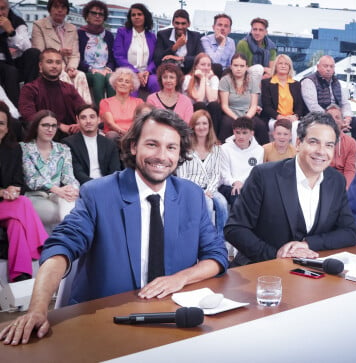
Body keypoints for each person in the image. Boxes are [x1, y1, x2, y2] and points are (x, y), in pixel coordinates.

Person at [0, 108, 229, 346]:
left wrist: (181, 278)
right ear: (133, 147)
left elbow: (216, 255)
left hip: (171, 320)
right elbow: (60, 248)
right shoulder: (99, 193)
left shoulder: (191, 195)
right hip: (105, 322)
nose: (162, 156)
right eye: (152, 144)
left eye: (171, 147)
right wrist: (37, 309)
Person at [225, 112, 356, 266]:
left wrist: (308, 244)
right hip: (261, 270)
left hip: (311, 275)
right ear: (298, 143)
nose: (321, 151)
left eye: (329, 145)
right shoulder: (263, 175)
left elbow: (350, 232)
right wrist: (276, 255)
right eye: (314, 142)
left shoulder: (336, 181)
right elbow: (234, 228)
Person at [0, 101, 48, 282]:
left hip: (8, 207)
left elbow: (19, 182)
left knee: (16, 224)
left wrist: (13, 189)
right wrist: (2, 192)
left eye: (1, 123)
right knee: (24, 204)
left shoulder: (13, 149)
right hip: (5, 203)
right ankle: (43, 245)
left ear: (7, 127)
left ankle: (20, 275)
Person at [301, 55, 356, 167]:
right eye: (325, 66)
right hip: (317, 118)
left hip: (337, 118)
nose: (328, 69)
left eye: (331, 66)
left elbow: (345, 103)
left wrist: (346, 119)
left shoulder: (337, 83)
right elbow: (312, 106)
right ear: (318, 67)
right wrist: (333, 120)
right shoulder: (309, 81)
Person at [20, 110, 79, 234]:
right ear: (36, 127)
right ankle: (64, 244)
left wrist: (73, 189)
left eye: (53, 125)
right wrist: (56, 189)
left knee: (70, 204)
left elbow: (69, 176)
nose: (50, 129)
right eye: (45, 125)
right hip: (35, 196)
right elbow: (31, 180)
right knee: (66, 213)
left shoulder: (63, 149)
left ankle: (64, 245)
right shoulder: (24, 148)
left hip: (58, 195)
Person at [176, 110, 228, 241]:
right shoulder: (185, 148)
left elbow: (217, 173)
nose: (201, 127)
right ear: (192, 126)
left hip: (211, 188)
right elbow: (182, 175)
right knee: (208, 204)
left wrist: (209, 190)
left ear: (209, 126)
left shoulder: (216, 148)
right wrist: (199, 192)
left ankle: (222, 240)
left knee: (222, 203)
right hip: (191, 189)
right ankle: (205, 240)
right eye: (198, 124)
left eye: (204, 123)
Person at [31, 0, 91, 104]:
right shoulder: (39, 25)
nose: (59, 10)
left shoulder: (72, 28)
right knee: (62, 75)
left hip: (68, 66)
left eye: (63, 7)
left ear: (67, 11)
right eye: (56, 7)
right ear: (50, 9)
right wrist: (59, 53)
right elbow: (39, 52)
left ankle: (84, 111)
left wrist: (71, 68)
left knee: (80, 75)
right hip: (49, 65)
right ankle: (68, 110)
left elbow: (75, 54)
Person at [19, 48, 84, 138]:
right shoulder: (30, 89)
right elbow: (29, 116)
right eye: (50, 62)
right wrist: (59, 126)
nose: (54, 66)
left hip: (71, 133)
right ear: (40, 66)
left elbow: (82, 109)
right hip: (44, 135)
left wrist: (80, 123)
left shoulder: (69, 88)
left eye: (58, 63)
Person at [62, 105, 121, 185]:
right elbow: (77, 172)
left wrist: (106, 185)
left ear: (99, 119)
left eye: (92, 117)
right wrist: (96, 185)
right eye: (83, 118)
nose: (88, 121)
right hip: (83, 187)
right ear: (77, 120)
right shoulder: (69, 143)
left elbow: (115, 170)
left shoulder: (109, 144)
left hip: (108, 185)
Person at [217, 53, 268, 144]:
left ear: (246, 67)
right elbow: (224, 106)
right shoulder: (225, 80)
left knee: (261, 125)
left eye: (242, 66)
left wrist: (246, 118)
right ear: (231, 66)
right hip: (231, 114)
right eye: (236, 65)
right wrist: (236, 118)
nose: (239, 68)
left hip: (248, 115)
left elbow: (253, 106)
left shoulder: (252, 81)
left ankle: (264, 154)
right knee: (227, 124)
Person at [0, 0, 40, 104]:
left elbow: (27, 47)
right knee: (10, 72)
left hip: (15, 61)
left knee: (34, 53)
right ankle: (17, 111)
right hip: (3, 64)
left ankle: (30, 94)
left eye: (2, 9)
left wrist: (11, 32)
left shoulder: (17, 22)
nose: (0, 13)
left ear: (8, 9)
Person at [113, 3, 159, 97]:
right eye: (133, 15)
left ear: (145, 16)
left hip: (146, 73)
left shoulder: (152, 37)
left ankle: (158, 111)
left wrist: (147, 71)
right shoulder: (122, 33)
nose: (136, 17)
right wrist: (136, 72)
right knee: (130, 85)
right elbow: (119, 56)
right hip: (128, 72)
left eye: (139, 14)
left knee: (156, 82)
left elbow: (155, 58)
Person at [77, 0, 116, 109]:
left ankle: (112, 111)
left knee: (111, 77)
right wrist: (90, 68)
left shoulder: (108, 35)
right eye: (94, 13)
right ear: (87, 16)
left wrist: (109, 68)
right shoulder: (79, 34)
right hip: (88, 71)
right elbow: (77, 58)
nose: (97, 16)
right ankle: (101, 111)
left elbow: (112, 58)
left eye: (101, 14)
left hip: (105, 70)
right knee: (98, 77)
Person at [218, 116, 264, 206]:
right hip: (229, 185)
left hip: (248, 185)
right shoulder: (224, 148)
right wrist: (235, 182)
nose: (240, 136)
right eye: (237, 132)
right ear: (233, 132)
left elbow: (255, 175)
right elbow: (224, 174)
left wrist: (243, 183)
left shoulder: (259, 150)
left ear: (252, 133)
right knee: (238, 194)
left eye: (244, 133)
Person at [260, 54, 305, 144]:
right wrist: (279, 117)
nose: (283, 66)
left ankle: (293, 153)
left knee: (296, 126)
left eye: (286, 64)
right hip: (274, 118)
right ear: (276, 66)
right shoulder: (267, 83)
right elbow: (267, 106)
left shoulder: (296, 84)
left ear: (290, 67)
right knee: (279, 127)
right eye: (280, 63)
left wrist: (295, 116)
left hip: (292, 118)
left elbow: (300, 105)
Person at [99, 67, 143, 140]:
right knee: (112, 135)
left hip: (133, 135)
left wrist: (130, 134)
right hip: (114, 134)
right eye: (120, 80)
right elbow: (110, 123)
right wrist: (124, 133)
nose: (123, 83)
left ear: (132, 87)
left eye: (127, 82)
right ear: (115, 83)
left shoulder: (139, 102)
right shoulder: (105, 102)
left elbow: (140, 122)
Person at [154, 9, 202, 74]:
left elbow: (200, 57)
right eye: (177, 23)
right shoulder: (163, 35)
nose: (180, 27)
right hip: (169, 72)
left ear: (189, 24)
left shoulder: (195, 36)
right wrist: (175, 47)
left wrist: (180, 58)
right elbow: (157, 59)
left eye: (183, 23)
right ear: (173, 23)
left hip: (189, 72)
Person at [183, 53, 220, 131]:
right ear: (196, 66)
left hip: (208, 111)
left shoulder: (214, 79)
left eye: (209, 65)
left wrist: (206, 79)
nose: (206, 68)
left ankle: (214, 138)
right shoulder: (187, 79)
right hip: (193, 110)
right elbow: (198, 99)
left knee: (214, 105)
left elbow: (212, 99)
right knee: (200, 105)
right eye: (203, 64)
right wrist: (203, 78)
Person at [326, 105, 356, 189]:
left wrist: (345, 189)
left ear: (343, 122)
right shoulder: (318, 140)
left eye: (337, 117)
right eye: (330, 117)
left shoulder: (351, 142)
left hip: (342, 181)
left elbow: (350, 171)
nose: (333, 120)